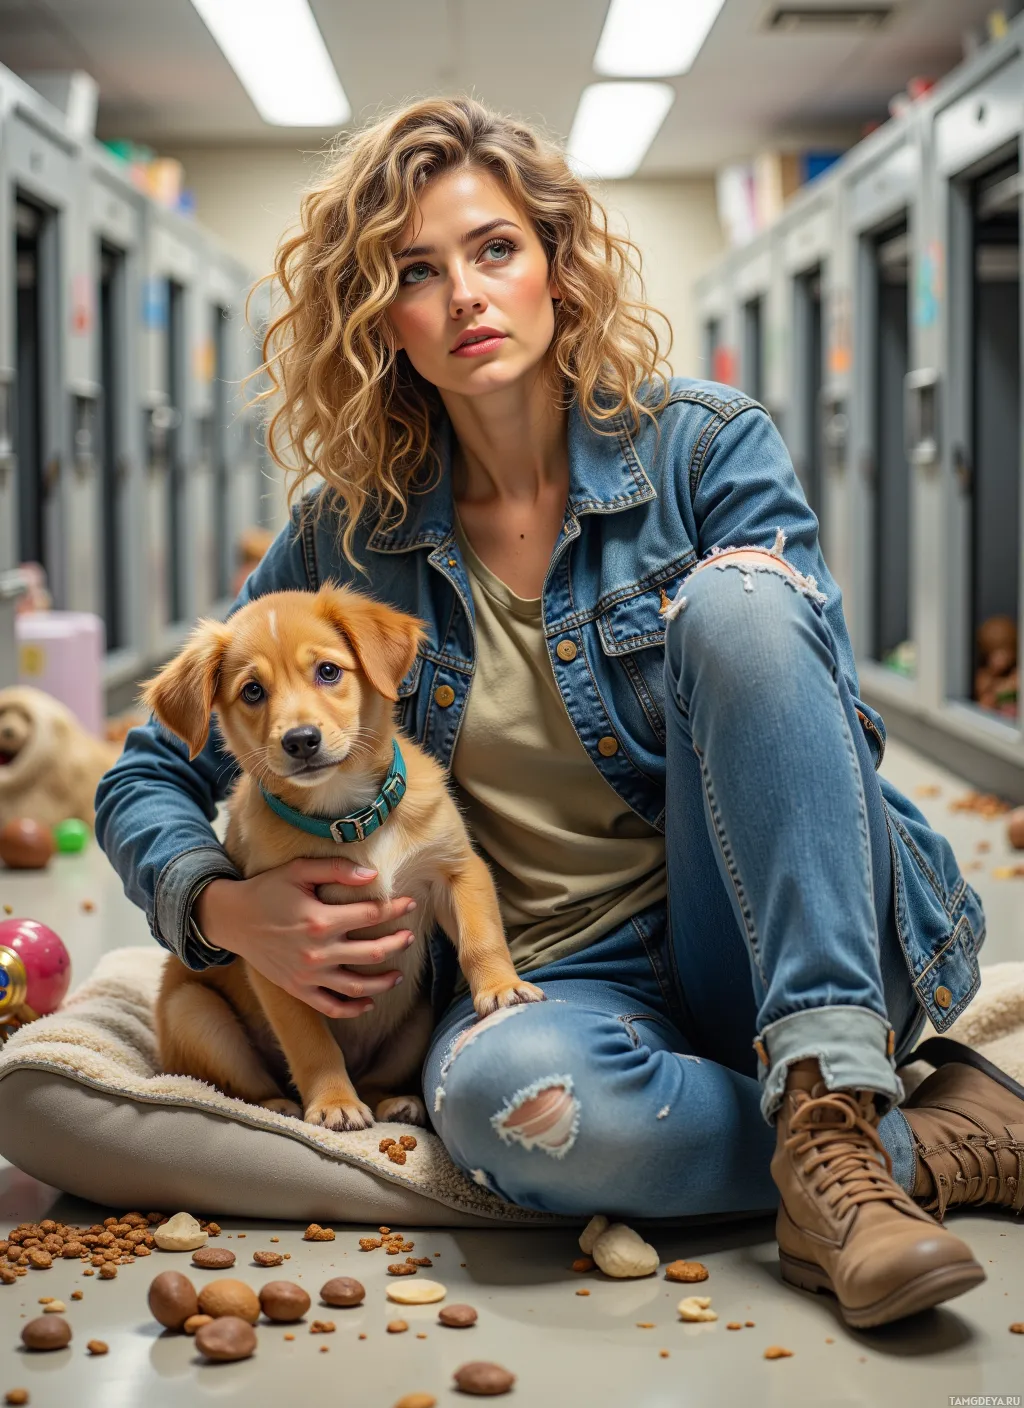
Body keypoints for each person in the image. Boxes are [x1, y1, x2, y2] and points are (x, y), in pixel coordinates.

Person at [95, 96, 1024, 1331]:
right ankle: (920, 1144)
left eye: (495, 249)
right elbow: (143, 771)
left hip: (771, 928)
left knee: (744, 599)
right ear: (378, 318)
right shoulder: (346, 540)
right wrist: (225, 911)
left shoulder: (704, 448)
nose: (465, 295)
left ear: (556, 263)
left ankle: (830, 1089)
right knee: (505, 1110)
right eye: (415, 272)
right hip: (555, 978)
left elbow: (816, 731)